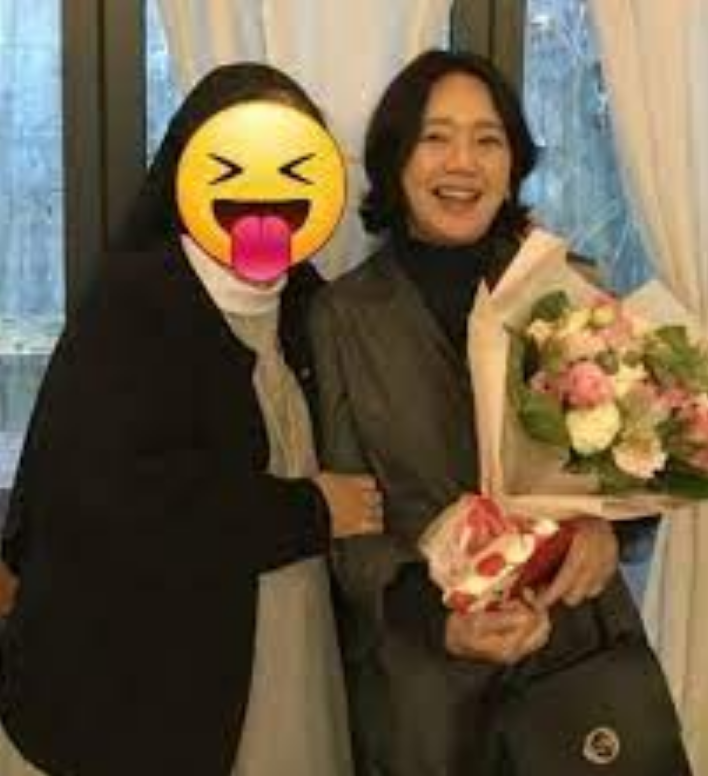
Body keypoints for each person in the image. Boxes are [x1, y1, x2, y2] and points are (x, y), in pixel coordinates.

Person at [0, 63, 382, 776]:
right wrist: (312, 509)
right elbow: (116, 504)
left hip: (284, 638)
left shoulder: (306, 299)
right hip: (147, 677)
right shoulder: (136, 302)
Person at [309, 49, 654, 776]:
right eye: (435, 137)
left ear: (513, 163)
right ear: (395, 160)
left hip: (573, 658)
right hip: (427, 683)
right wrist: (440, 621)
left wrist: (608, 528)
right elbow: (349, 528)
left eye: (487, 139)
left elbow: (637, 459)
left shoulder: (569, 288)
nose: (462, 162)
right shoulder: (341, 316)